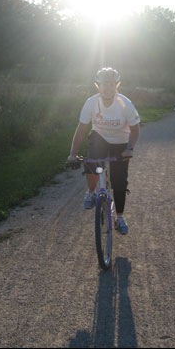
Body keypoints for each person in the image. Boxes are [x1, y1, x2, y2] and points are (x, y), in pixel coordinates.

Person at [67, 67, 140, 234]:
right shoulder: (91, 103)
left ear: (117, 85)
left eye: (111, 84)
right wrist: (72, 154)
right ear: (97, 85)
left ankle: (119, 217)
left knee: (119, 181)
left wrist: (129, 148)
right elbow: (81, 129)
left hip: (121, 142)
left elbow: (135, 130)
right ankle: (91, 192)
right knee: (93, 163)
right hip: (100, 137)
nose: (107, 88)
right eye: (103, 84)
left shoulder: (125, 104)